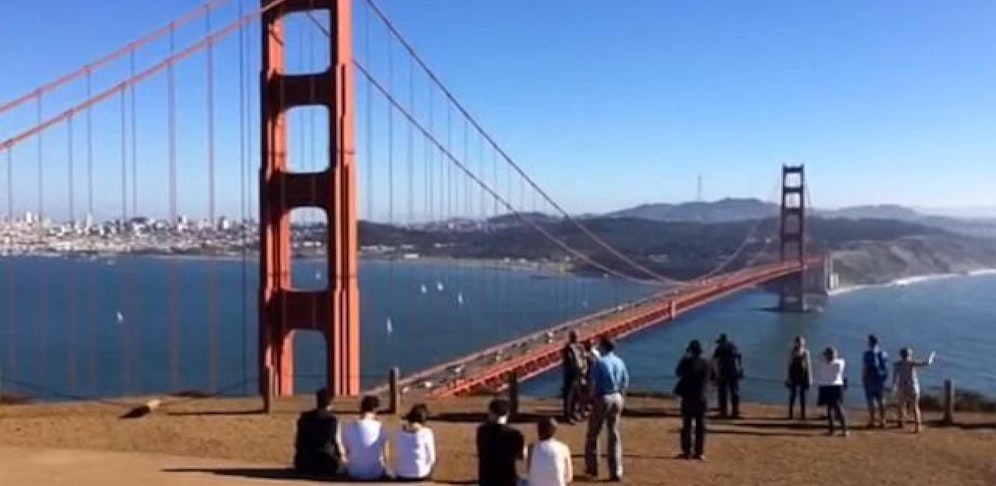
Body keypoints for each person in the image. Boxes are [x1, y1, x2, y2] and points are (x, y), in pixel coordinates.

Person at [584, 336, 628, 482]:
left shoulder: (599, 362)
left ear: (603, 346)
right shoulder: (619, 361)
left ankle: (593, 468)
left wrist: (589, 398)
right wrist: (621, 395)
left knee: (593, 433)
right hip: (617, 397)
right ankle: (616, 470)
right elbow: (625, 381)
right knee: (614, 434)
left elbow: (592, 382)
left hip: (603, 397)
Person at [293, 388, 344, 477]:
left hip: (303, 462)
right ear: (330, 403)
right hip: (325, 461)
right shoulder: (331, 420)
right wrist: (341, 458)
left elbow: (297, 442)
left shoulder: (304, 417)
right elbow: (336, 441)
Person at [674, 340, 711, 461]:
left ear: (691, 350)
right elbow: (714, 376)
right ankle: (699, 452)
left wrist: (685, 355)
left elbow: (678, 372)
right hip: (702, 397)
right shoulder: (707, 363)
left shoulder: (687, 362)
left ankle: (687, 451)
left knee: (687, 425)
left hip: (688, 397)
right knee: (701, 426)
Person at [476, 398, 526, 486]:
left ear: (491, 412)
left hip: (486, 481)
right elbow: (521, 456)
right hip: (507, 481)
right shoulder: (514, 434)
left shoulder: (482, 431)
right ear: (507, 414)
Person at [341, 395, 389, 480]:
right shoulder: (380, 428)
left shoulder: (349, 428)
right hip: (375, 473)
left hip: (354, 472)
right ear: (375, 410)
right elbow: (386, 455)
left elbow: (347, 452)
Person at [892, 348, 936, 434]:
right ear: (909, 355)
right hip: (913, 387)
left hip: (902, 387)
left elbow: (895, 377)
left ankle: (901, 421)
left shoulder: (897, 364)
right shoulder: (911, 363)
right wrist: (932, 356)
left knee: (901, 406)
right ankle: (918, 426)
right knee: (915, 407)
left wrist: (894, 387)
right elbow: (927, 362)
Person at [393, 403, 436, 481]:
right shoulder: (426, 433)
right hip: (420, 474)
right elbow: (432, 458)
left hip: (401, 474)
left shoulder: (399, 432)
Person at [527, 417, 573, 486]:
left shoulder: (531, 448)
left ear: (538, 430)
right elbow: (569, 478)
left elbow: (529, 472)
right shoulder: (563, 448)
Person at [816, 346, 848, 437]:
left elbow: (819, 357)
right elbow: (839, 360)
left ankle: (832, 430)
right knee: (838, 407)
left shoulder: (823, 364)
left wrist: (824, 354)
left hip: (826, 386)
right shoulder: (840, 363)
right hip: (837, 387)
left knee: (829, 409)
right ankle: (844, 430)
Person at [712, 333, 743, 419]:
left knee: (722, 393)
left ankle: (723, 412)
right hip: (734, 373)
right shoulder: (734, 348)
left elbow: (715, 361)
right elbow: (739, 358)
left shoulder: (719, 349)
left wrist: (714, 374)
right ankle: (735, 412)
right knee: (735, 393)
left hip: (724, 373)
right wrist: (740, 371)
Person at [861, 334, 890, 428]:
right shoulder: (884, 353)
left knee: (871, 400)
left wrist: (863, 378)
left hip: (870, 379)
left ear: (870, 342)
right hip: (881, 379)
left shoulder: (867, 354)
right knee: (881, 400)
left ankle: (872, 420)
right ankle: (883, 419)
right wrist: (885, 377)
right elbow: (886, 367)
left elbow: (866, 367)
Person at [561, 331, 587, 424]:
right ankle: (568, 416)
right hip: (571, 374)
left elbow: (584, 358)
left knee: (577, 395)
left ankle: (574, 413)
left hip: (579, 374)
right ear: (571, 337)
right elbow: (569, 361)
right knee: (569, 396)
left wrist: (584, 370)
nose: (576, 338)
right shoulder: (568, 348)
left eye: (577, 336)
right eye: (575, 336)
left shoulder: (580, 347)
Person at [785, 336, 813, 420]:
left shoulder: (806, 352)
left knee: (803, 395)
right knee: (793, 395)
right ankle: (790, 414)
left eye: (801, 343)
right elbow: (789, 364)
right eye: (799, 342)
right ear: (796, 343)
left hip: (803, 375)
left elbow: (808, 366)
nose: (800, 344)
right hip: (794, 375)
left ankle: (803, 414)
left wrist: (810, 378)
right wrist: (788, 377)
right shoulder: (792, 352)